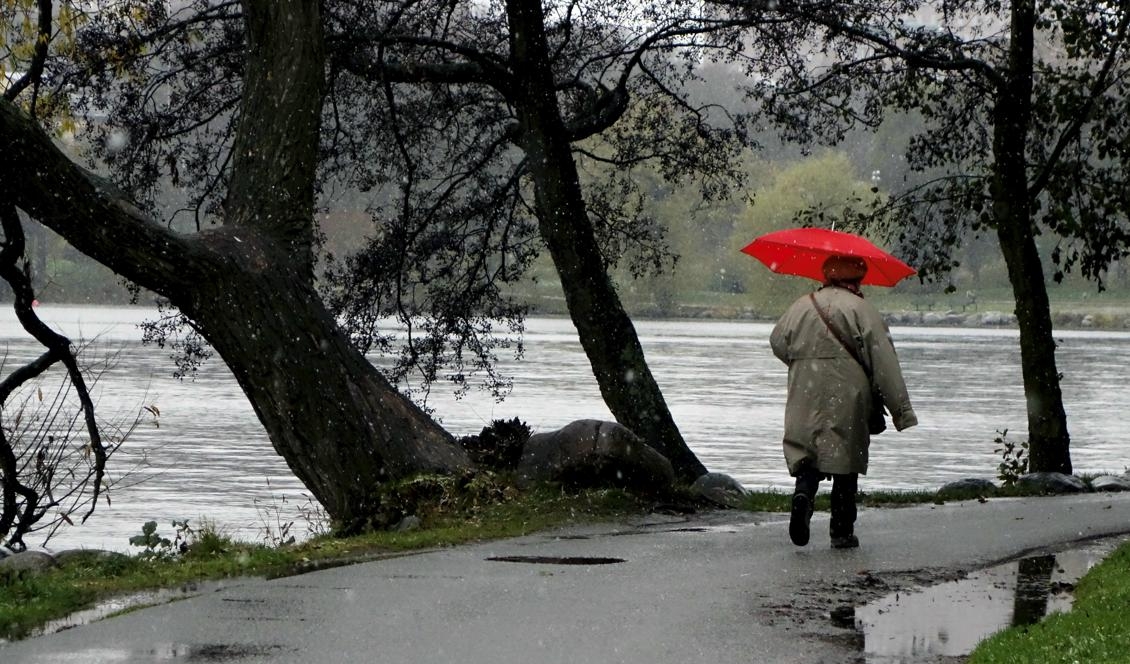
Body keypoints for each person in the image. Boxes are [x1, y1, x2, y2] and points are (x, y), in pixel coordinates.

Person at [769, 255, 918, 549]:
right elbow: (884, 361)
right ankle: (841, 530)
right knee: (846, 459)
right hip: (849, 391)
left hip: (805, 388)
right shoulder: (862, 309)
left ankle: (803, 495)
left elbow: (777, 342)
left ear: (826, 275)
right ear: (858, 278)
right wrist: (902, 412)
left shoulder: (801, 305)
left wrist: (803, 360)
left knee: (807, 451)